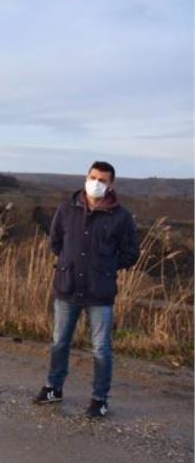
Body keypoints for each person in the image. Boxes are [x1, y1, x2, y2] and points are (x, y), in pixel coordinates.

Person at [33, 161, 139, 418]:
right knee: (60, 342)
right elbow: (56, 242)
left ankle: (99, 399)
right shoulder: (67, 209)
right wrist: (69, 264)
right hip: (67, 288)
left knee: (101, 348)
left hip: (100, 292)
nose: (97, 183)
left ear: (111, 184)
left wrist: (104, 267)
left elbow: (130, 253)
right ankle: (53, 388)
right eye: (93, 177)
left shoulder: (121, 217)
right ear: (86, 177)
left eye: (103, 180)